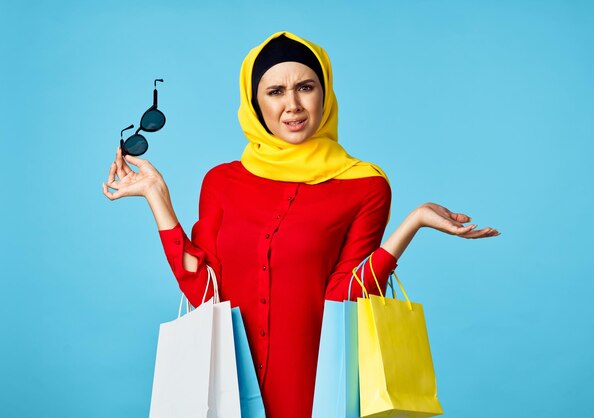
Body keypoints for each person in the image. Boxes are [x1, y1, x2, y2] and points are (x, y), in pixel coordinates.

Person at [103, 31, 499, 418]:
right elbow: (206, 291)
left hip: (313, 390)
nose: (292, 104)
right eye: (275, 92)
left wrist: (411, 224)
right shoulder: (221, 182)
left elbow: (345, 296)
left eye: (305, 87)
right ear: (255, 103)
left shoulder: (364, 186)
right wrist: (158, 199)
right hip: (227, 390)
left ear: (324, 94)